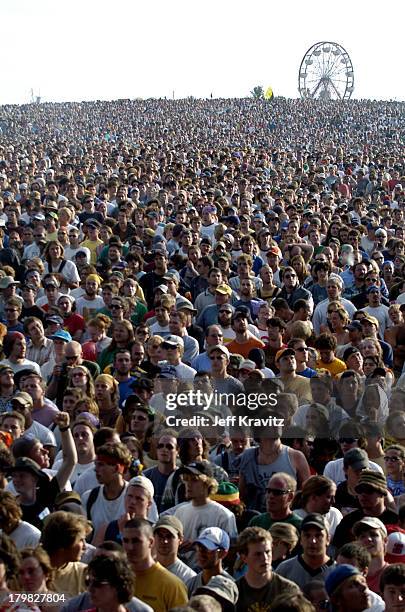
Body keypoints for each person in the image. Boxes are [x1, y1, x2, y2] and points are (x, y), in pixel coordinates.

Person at [121, 518, 188, 612]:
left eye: (136, 541)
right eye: (126, 541)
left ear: (151, 542)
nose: (130, 547)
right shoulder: (116, 579)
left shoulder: (172, 586)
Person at [235, 527, 299, 612]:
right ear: (244, 557)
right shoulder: (234, 592)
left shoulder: (288, 590)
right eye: (258, 554)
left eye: (268, 552)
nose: (265, 558)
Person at [186, 527, 232, 597]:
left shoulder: (231, 587)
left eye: (207, 548)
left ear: (222, 553)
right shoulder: (190, 584)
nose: (201, 552)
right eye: (199, 546)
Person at [153, 515, 196, 583]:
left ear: (180, 539)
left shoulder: (188, 577)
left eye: (169, 536)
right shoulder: (144, 569)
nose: (164, 541)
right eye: (160, 536)